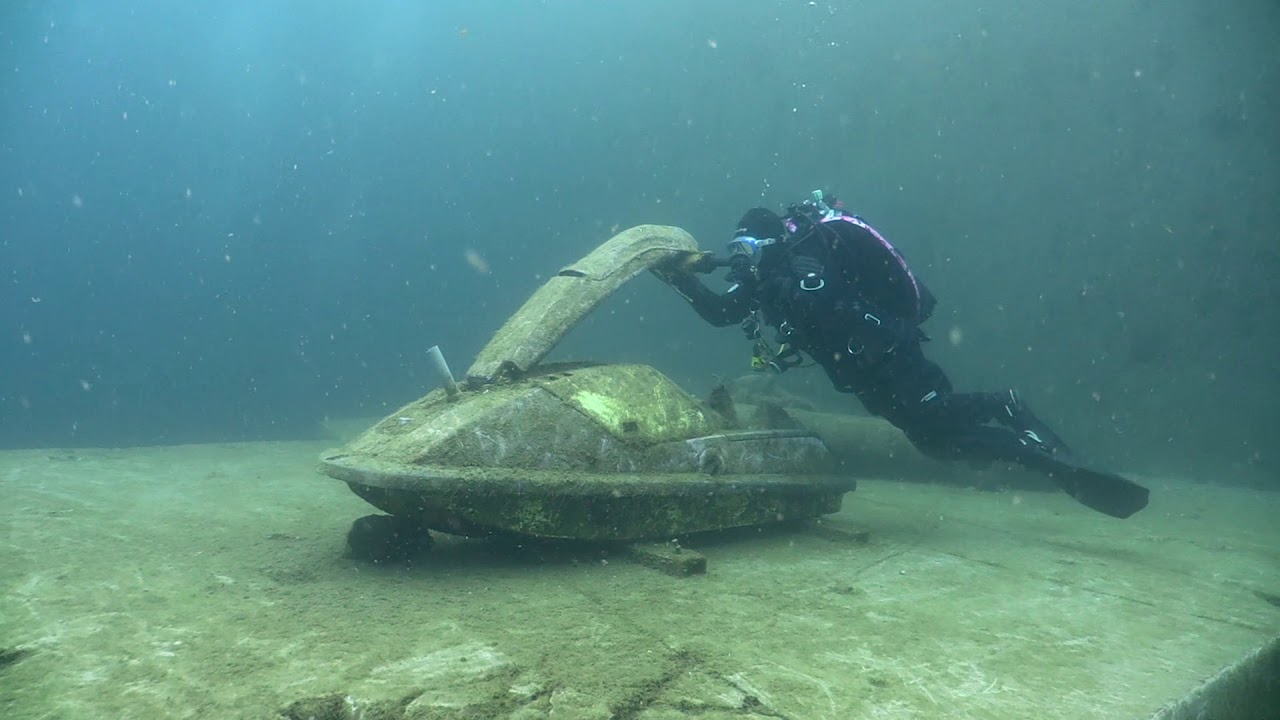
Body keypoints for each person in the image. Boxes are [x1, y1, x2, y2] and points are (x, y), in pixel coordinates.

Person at [657, 191, 1149, 519]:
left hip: (890, 352)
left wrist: (764, 270)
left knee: (934, 414)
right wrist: (679, 280)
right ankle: (1035, 454)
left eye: (744, 245)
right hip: (863, 376)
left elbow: (819, 295)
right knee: (936, 443)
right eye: (734, 248)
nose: (739, 256)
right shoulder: (768, 281)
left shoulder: (803, 255)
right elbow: (722, 313)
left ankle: (1011, 411)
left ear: (768, 241)